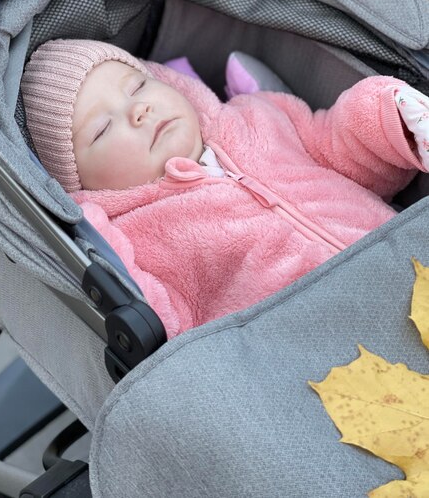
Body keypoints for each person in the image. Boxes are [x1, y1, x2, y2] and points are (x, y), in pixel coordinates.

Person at [21, 39, 429, 338]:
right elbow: (169, 325)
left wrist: (386, 115)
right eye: (103, 128)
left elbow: (343, 152)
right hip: (324, 344)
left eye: (137, 87)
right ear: (83, 183)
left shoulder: (257, 116)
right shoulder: (138, 237)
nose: (138, 110)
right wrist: (94, 232)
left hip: (408, 260)